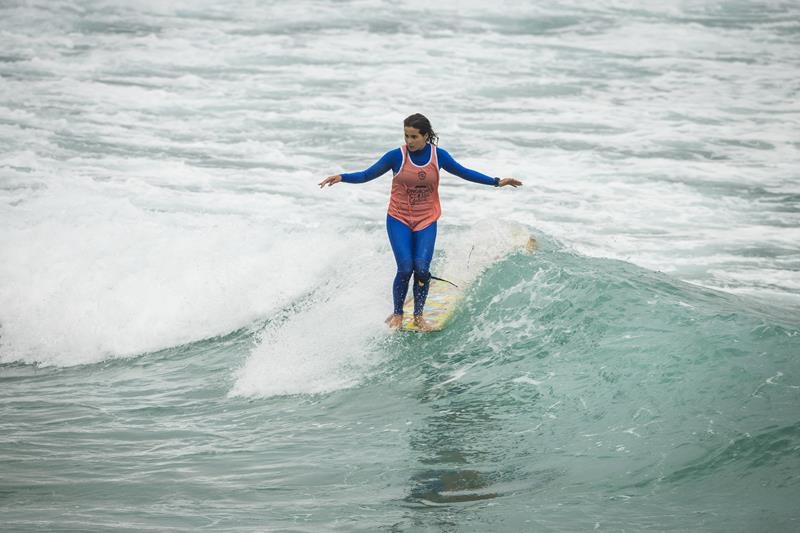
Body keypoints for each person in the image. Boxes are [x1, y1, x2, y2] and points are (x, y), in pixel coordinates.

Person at [319, 113, 522, 331]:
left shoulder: (438, 156)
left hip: (426, 219)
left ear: (426, 136)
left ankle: (418, 316)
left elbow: (464, 172)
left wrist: (496, 182)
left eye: (414, 137)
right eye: (406, 136)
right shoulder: (396, 156)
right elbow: (367, 174)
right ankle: (398, 313)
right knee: (406, 267)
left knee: (422, 269)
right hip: (399, 218)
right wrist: (342, 177)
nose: (409, 141)